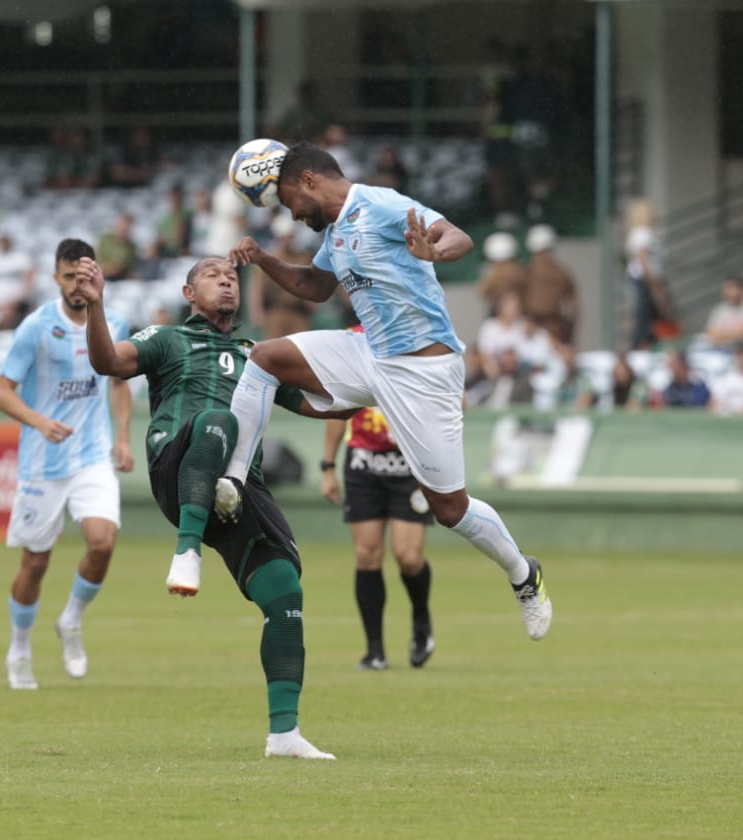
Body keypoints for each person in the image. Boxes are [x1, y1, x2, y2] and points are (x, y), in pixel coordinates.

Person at [222, 142, 552, 642]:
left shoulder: (379, 205)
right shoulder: (334, 233)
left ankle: (524, 576)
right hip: (371, 354)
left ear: (310, 179)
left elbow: (456, 236)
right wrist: (264, 259)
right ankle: (235, 480)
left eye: (289, 200)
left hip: (424, 373)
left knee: (450, 511)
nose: (291, 212)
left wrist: (433, 251)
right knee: (265, 357)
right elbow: (314, 287)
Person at [78, 254, 339, 760]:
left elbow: (321, 403)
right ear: (188, 293)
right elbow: (108, 363)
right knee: (218, 421)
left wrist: (388, 389)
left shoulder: (257, 354)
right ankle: (186, 551)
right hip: (179, 470)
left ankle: (284, 735)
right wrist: (96, 308)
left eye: (232, 276)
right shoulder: (167, 338)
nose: (226, 281)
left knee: (285, 590)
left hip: (240, 486)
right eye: (213, 276)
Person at [0, 239, 134, 691]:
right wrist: (38, 421)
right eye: (69, 276)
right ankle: (19, 649)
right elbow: (1, 391)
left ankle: (71, 620)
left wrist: (124, 438)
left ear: (96, 277)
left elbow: (119, 382)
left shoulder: (114, 321)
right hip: (42, 462)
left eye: (84, 276)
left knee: (102, 543)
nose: (77, 285)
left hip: (92, 455)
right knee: (35, 563)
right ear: (56, 278)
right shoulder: (36, 327)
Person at [320, 369, 434, 671]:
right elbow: (336, 408)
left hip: (410, 463)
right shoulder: (351, 344)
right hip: (363, 463)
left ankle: (421, 620)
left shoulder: (417, 345)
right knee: (367, 553)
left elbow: (455, 402)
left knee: (408, 557)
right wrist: (328, 466)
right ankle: (375, 651)